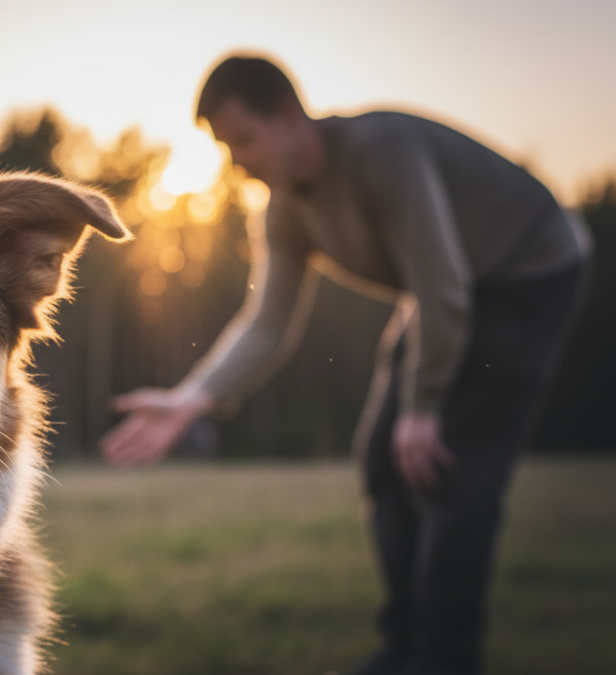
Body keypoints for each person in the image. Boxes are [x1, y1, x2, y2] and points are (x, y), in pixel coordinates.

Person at [99, 54, 591, 675]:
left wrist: (426, 407)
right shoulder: (282, 210)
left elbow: (442, 288)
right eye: (225, 149)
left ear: (287, 114)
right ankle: (403, 647)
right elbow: (267, 321)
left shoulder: (383, 153)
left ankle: (446, 658)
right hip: (450, 289)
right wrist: (193, 397)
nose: (237, 162)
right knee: (384, 457)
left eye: (243, 140)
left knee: (448, 468)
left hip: (529, 270)